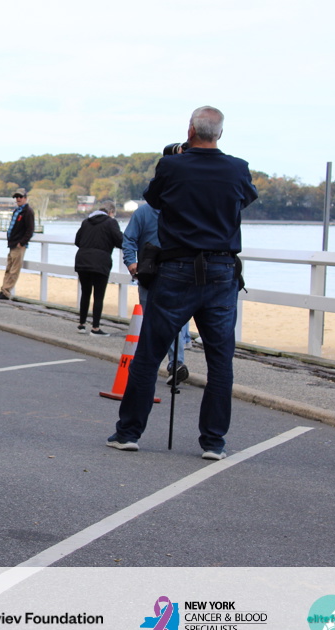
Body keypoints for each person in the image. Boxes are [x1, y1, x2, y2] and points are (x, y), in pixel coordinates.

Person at [108, 105, 258, 460]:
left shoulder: (172, 165)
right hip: (221, 270)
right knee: (220, 360)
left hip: (176, 268)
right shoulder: (238, 168)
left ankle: (129, 433)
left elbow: (154, 199)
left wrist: (179, 156)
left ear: (190, 130)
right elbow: (245, 199)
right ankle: (213, 442)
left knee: (149, 354)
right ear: (220, 133)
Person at [122, 203, 191, 384]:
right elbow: (128, 239)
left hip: (176, 274)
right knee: (152, 321)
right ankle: (156, 365)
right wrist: (131, 262)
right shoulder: (144, 213)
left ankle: (175, 364)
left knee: (173, 319)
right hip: (149, 274)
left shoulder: (181, 210)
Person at [74, 200, 122, 336]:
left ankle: (82, 324)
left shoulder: (86, 222)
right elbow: (120, 241)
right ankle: (95, 328)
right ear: (111, 212)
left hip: (82, 259)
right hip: (100, 261)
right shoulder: (111, 222)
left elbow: (77, 241)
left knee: (85, 292)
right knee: (98, 295)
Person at [0, 188, 35, 300]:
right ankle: (3, 289)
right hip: (12, 244)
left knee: (14, 270)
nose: (18, 199)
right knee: (9, 268)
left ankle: (6, 292)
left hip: (18, 245)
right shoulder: (17, 211)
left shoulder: (28, 211)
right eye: (16, 197)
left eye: (20, 197)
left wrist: (22, 242)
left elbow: (30, 230)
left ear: (25, 198)